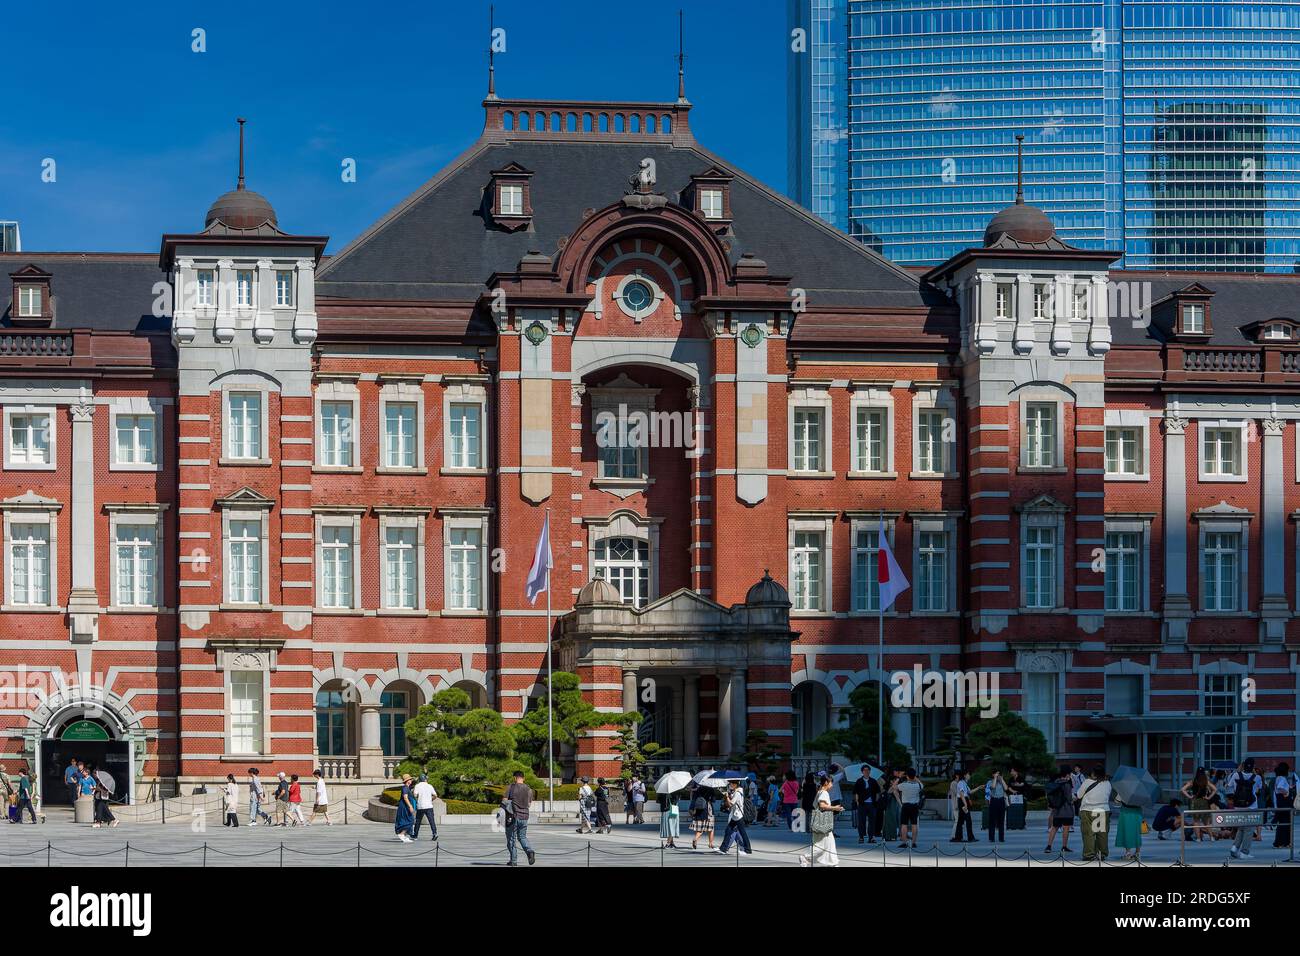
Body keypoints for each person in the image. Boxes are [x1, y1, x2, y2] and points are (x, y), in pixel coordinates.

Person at [800, 772, 843, 867]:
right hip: (823, 824)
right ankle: (806, 857)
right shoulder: (824, 793)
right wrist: (835, 808)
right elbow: (822, 806)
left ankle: (833, 863)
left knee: (829, 844)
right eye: (831, 783)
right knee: (821, 845)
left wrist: (833, 807)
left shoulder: (819, 791)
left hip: (821, 824)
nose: (832, 785)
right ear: (827, 782)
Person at [1224, 758, 1262, 860]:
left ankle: (1235, 847)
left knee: (1241, 828)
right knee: (1249, 830)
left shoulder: (1236, 775)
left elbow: (1229, 786)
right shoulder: (1257, 777)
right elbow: (1259, 789)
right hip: (1251, 806)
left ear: (1243, 765)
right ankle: (1244, 852)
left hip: (1238, 806)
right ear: (1253, 766)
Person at [1076, 764, 1112, 862]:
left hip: (1088, 810)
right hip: (1102, 810)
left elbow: (1079, 795)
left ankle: (1089, 854)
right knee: (1101, 834)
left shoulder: (1087, 782)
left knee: (1089, 834)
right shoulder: (1107, 783)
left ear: (1094, 773)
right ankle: (1101, 854)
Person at [503, 769, 536, 866]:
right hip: (525, 817)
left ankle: (513, 861)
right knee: (522, 837)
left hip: (513, 817)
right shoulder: (529, 789)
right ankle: (529, 851)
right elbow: (529, 804)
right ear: (523, 778)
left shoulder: (511, 787)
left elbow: (504, 801)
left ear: (515, 778)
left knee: (511, 839)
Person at [1045, 765, 1075, 852]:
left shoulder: (1056, 782)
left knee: (1054, 828)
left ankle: (1049, 846)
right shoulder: (1067, 784)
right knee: (1066, 828)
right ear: (1067, 774)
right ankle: (1064, 846)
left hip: (1057, 810)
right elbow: (1069, 798)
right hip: (1067, 810)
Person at [1180, 768, 1216, 841]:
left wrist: (1190, 796)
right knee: (1206, 821)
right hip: (1204, 801)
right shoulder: (1206, 781)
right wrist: (1208, 797)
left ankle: (1198, 838)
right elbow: (1215, 789)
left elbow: (1182, 789)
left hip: (1195, 801)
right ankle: (1211, 837)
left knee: (1196, 821)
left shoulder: (1193, 781)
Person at [718, 779, 752, 855]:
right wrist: (728, 795)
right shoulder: (737, 791)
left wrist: (727, 797)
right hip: (735, 816)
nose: (730, 785)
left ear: (735, 784)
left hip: (738, 816)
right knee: (728, 831)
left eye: (731, 784)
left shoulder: (738, 793)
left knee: (743, 833)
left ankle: (747, 849)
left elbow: (731, 804)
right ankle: (723, 849)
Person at [896, 767, 924, 849]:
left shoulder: (903, 785)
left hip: (905, 806)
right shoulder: (918, 785)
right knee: (914, 824)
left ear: (907, 776)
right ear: (914, 776)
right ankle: (914, 842)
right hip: (914, 806)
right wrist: (915, 778)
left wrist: (899, 777)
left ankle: (904, 842)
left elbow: (894, 787)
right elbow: (922, 785)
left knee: (904, 824)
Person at [856, 766, 882, 844]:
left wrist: (875, 801)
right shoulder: (859, 781)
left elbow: (878, 792)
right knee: (861, 821)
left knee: (872, 821)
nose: (866, 771)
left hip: (872, 804)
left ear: (870, 771)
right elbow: (856, 792)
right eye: (865, 770)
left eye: (868, 770)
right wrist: (857, 802)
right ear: (862, 772)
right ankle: (861, 837)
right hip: (862, 804)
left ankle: (871, 837)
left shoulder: (873, 781)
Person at [1273, 763, 1295, 849]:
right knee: (1286, 822)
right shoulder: (1282, 778)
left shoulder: (1278, 778)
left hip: (1280, 802)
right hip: (1284, 801)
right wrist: (1286, 792)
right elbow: (1280, 788)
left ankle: (1280, 842)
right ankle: (1284, 842)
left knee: (1282, 822)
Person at [411, 773, 438, 841]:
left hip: (421, 806)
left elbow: (415, 795)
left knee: (418, 821)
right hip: (429, 806)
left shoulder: (417, 786)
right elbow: (435, 795)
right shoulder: (429, 786)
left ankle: (415, 835)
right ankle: (434, 833)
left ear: (419, 779)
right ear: (425, 779)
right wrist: (430, 799)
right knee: (431, 821)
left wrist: (417, 799)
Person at [951, 769, 975, 843]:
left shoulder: (964, 783)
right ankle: (970, 837)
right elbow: (961, 794)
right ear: (964, 775)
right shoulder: (961, 783)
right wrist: (965, 804)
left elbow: (969, 792)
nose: (969, 776)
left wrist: (979, 787)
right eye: (968, 774)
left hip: (963, 801)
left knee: (960, 821)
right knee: (968, 820)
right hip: (962, 802)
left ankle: (958, 837)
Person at [985, 770, 1008, 843]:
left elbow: (1006, 788)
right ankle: (991, 838)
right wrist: (995, 778)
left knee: (1001, 820)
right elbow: (993, 787)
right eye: (996, 774)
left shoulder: (1001, 782)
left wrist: (1002, 779)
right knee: (992, 821)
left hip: (1001, 800)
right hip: (994, 800)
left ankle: (1001, 838)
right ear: (993, 774)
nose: (998, 775)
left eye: (999, 774)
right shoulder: (990, 782)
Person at [689, 785, 715, 850]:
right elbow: (713, 800)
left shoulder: (698, 789)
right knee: (711, 828)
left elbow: (693, 799)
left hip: (699, 810)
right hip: (708, 810)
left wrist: (691, 809)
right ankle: (710, 844)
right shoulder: (711, 788)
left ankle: (695, 839)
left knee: (700, 828)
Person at [394, 774, 416, 843]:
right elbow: (405, 797)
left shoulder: (407, 788)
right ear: (407, 781)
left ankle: (404, 835)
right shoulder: (405, 788)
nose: (411, 780)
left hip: (405, 807)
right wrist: (410, 806)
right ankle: (401, 834)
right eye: (410, 779)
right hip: (404, 807)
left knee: (408, 820)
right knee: (409, 820)